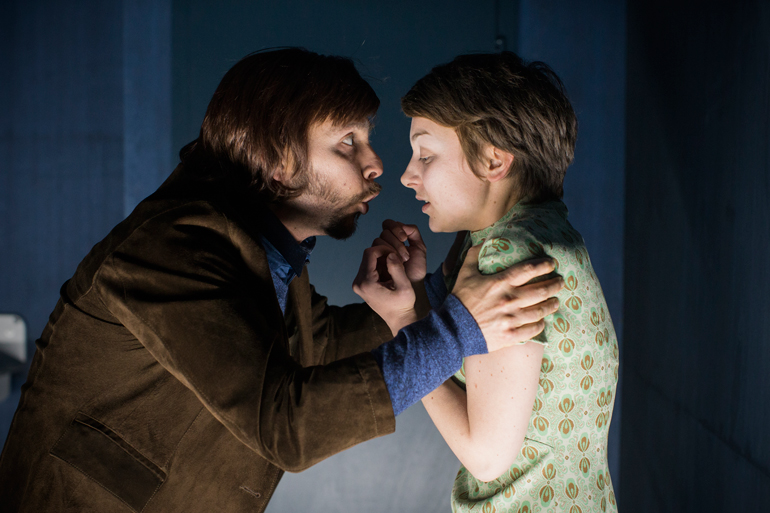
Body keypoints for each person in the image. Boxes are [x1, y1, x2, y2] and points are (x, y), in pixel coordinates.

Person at [0, 48, 563, 513]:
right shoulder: (172, 249)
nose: (376, 165)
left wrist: (428, 297)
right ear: (276, 160)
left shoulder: (261, 250)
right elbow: (286, 425)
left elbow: (317, 346)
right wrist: (458, 329)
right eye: (347, 143)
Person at [357, 52, 619, 512]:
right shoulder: (544, 228)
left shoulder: (505, 253)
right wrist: (419, 297)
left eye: (426, 154)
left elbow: (487, 457)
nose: (407, 175)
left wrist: (404, 323)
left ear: (494, 161)